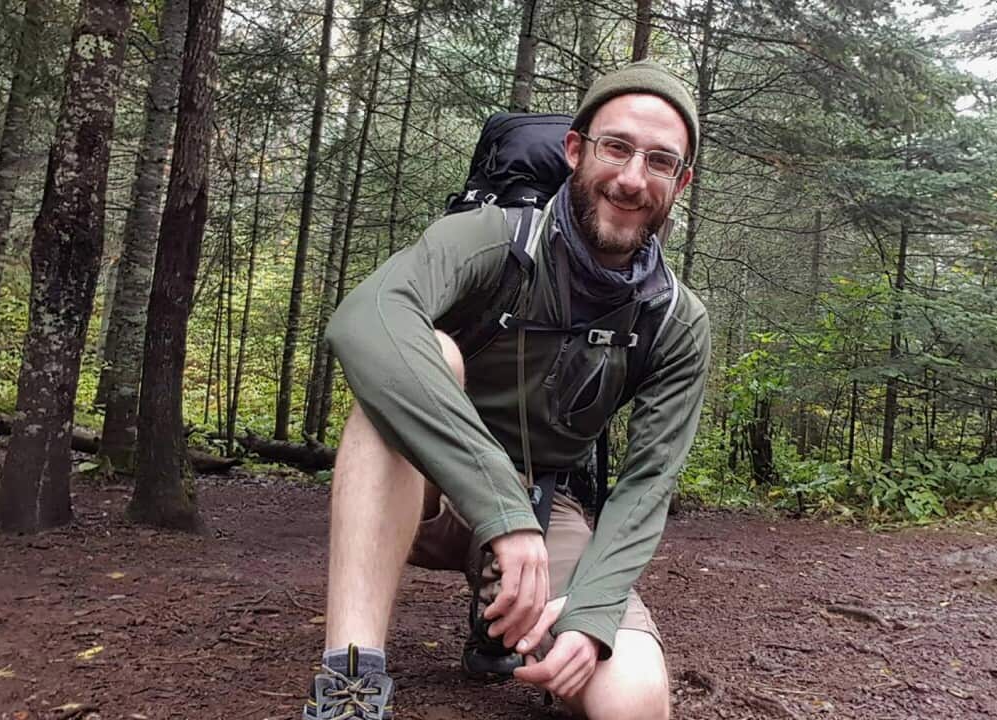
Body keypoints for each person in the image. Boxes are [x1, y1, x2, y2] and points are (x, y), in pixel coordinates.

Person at [305, 61, 711, 720]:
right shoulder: (491, 239)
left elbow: (647, 485)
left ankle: (502, 609)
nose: (633, 178)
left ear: (681, 181)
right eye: (617, 147)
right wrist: (500, 506)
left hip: (545, 506)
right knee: (424, 353)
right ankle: (351, 681)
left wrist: (594, 618)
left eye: (660, 161)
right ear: (576, 151)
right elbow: (364, 320)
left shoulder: (674, 319)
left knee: (632, 701)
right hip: (422, 488)